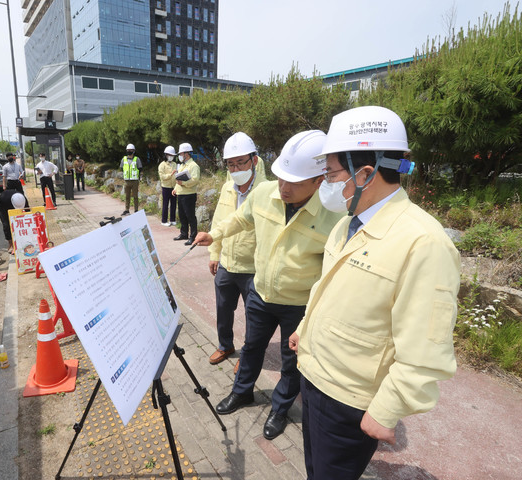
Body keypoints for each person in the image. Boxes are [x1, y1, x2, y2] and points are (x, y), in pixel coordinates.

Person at [289, 106, 460, 479]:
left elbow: (427, 349)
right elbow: (327, 288)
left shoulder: (423, 243)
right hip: (315, 377)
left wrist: (386, 410)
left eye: (331, 175)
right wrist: (305, 326)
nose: (326, 185)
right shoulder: (347, 224)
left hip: (350, 401)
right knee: (314, 470)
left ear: (365, 173)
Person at [194, 130, 343, 441]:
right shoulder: (264, 194)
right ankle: (242, 392)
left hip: (299, 302)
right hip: (261, 293)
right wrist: (215, 235)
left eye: (295, 182)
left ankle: (279, 409)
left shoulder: (334, 216)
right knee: (251, 348)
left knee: (291, 362)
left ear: (319, 180)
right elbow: (241, 219)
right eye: (281, 178)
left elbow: (334, 273)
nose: (284, 188)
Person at [206, 132, 266, 366]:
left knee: (253, 316)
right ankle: (225, 345)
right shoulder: (226, 188)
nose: (235, 168)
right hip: (227, 263)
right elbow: (218, 222)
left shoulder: (268, 190)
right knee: (223, 309)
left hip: (253, 267)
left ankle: (248, 356)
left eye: (240, 161)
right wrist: (214, 254)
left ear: (254, 160)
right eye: (231, 163)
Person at [172, 142, 200, 245]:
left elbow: (195, 180)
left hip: (189, 194)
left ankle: (193, 236)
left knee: (190, 216)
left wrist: (183, 183)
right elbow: (178, 178)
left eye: (181, 154)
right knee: (182, 215)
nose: (180, 156)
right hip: (181, 193)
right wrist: (175, 188)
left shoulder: (194, 166)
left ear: (186, 154)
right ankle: (184, 233)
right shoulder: (182, 166)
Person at [120, 143, 142, 215]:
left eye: (131, 150)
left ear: (134, 151)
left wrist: (139, 178)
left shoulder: (137, 159)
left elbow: (140, 168)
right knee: (127, 196)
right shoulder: (124, 159)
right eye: (128, 150)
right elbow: (122, 168)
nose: (129, 151)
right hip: (127, 181)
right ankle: (127, 210)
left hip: (135, 181)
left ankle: (136, 210)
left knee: (135, 196)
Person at [158, 146, 177, 226]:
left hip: (174, 187)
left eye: (172, 155)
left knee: (174, 204)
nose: (171, 157)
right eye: (169, 155)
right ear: (165, 155)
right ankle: (164, 220)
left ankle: (172, 219)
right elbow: (162, 177)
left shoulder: (174, 164)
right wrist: (171, 174)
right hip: (166, 187)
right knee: (165, 204)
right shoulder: (162, 165)